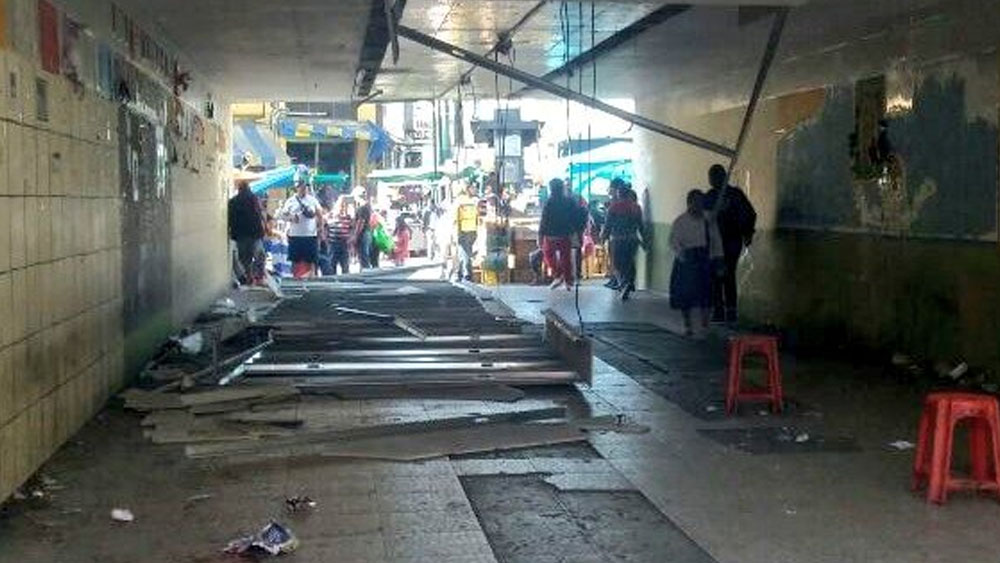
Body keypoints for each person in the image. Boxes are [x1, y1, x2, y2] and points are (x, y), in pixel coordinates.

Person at [703, 164, 757, 323]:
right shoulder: (711, 196)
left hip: (730, 241)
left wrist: (747, 233)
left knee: (724, 274)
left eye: (714, 177)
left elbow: (749, 214)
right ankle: (721, 310)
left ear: (722, 177)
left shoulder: (734, 195)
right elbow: (702, 218)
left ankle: (727, 311)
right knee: (717, 275)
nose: (712, 180)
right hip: (718, 242)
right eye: (711, 177)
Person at [669, 190, 723, 336]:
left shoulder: (708, 220)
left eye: (701, 202)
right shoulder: (680, 221)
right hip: (686, 260)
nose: (699, 205)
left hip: (705, 260)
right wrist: (684, 257)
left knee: (707, 293)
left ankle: (705, 323)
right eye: (696, 202)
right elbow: (674, 242)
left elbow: (716, 240)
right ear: (689, 203)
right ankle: (688, 323)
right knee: (685, 295)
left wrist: (718, 258)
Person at [539, 178, 586, 290]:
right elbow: (576, 216)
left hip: (551, 234)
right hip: (566, 233)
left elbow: (544, 220)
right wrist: (577, 231)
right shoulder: (569, 201)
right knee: (566, 257)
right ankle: (567, 280)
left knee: (548, 255)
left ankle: (558, 274)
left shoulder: (549, 202)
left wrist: (540, 234)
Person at [602, 186, 645, 301]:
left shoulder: (614, 207)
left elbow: (608, 224)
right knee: (630, 262)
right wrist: (644, 240)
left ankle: (624, 283)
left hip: (618, 239)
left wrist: (604, 237)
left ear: (619, 194)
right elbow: (641, 225)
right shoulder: (636, 207)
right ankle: (630, 282)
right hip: (632, 239)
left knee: (618, 263)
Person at [279, 182, 322, 278]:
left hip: (310, 235)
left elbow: (320, 214)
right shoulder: (290, 201)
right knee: (295, 260)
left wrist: (320, 229)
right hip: (295, 235)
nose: (304, 189)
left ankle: (312, 278)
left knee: (311, 260)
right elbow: (283, 215)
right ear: (297, 188)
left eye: (305, 187)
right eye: (301, 187)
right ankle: (296, 279)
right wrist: (291, 218)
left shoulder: (312, 200)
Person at [227, 180, 266, 285]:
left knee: (245, 258)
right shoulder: (254, 198)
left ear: (239, 189)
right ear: (248, 188)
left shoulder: (233, 201)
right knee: (259, 255)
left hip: (240, 234)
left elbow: (230, 219)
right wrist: (265, 227)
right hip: (255, 233)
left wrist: (231, 232)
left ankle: (249, 277)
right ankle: (259, 278)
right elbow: (260, 214)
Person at [454, 182, 480, 281]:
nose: (475, 189)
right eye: (473, 188)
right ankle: (464, 272)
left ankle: (465, 273)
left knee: (464, 251)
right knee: (466, 251)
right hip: (469, 228)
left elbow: (454, 216)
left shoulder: (459, 200)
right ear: (468, 189)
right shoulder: (476, 200)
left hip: (464, 228)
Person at [325, 195, 354, 275]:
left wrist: (351, 239)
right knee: (332, 265)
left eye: (345, 205)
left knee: (345, 266)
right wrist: (326, 238)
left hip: (344, 243)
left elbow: (352, 228)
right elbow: (325, 226)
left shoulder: (349, 217)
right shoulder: (331, 215)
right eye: (342, 205)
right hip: (333, 243)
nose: (343, 207)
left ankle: (345, 281)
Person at [353, 187, 375, 270]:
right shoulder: (368, 206)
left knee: (363, 255)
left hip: (363, 233)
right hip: (368, 231)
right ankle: (365, 269)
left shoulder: (362, 207)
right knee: (365, 254)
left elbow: (360, 222)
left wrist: (355, 235)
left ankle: (365, 271)